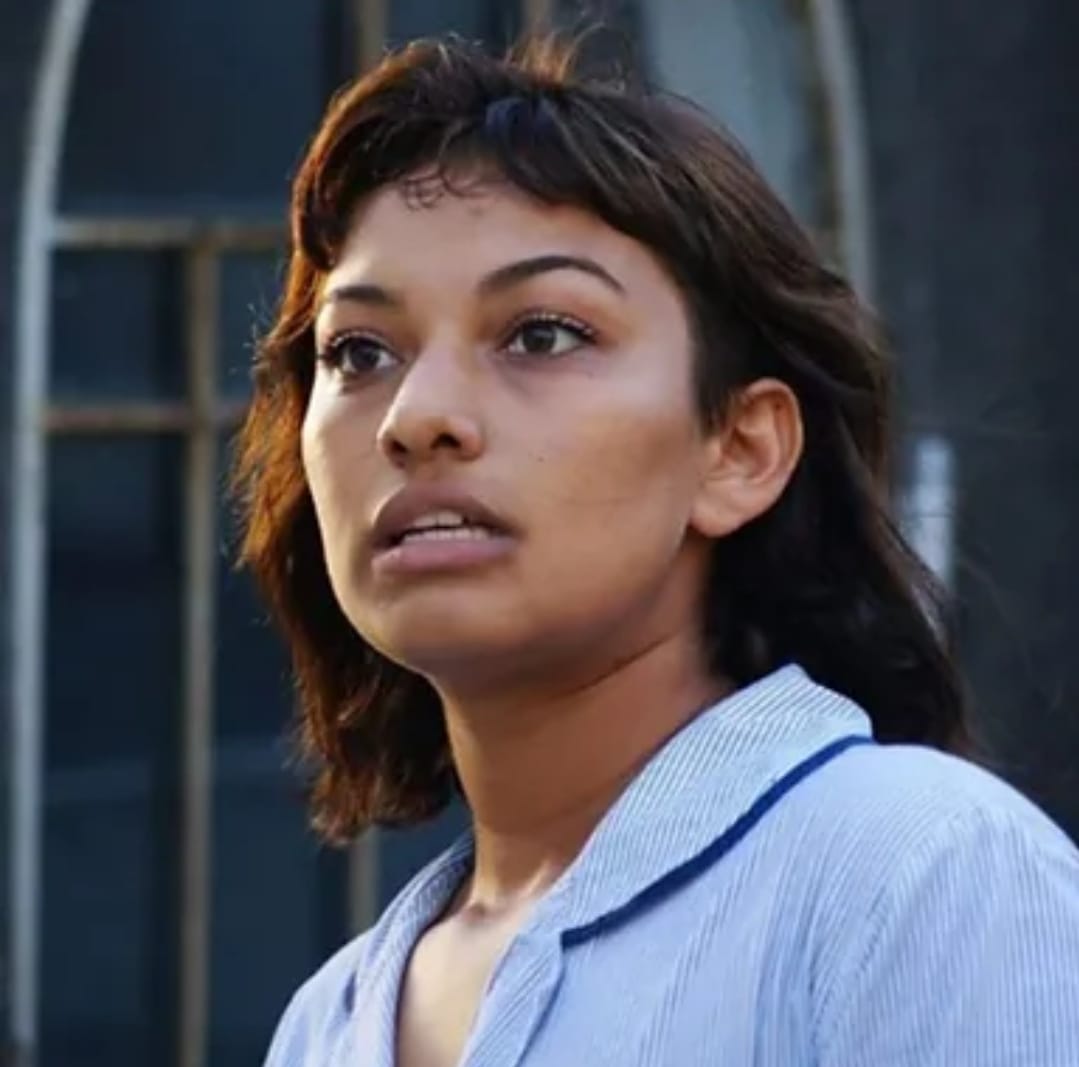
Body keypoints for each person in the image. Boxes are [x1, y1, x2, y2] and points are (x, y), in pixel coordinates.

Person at [237, 34, 1079, 1067]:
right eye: (358, 351)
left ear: (739, 448)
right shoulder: (326, 1024)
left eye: (541, 334)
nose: (416, 417)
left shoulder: (919, 879)